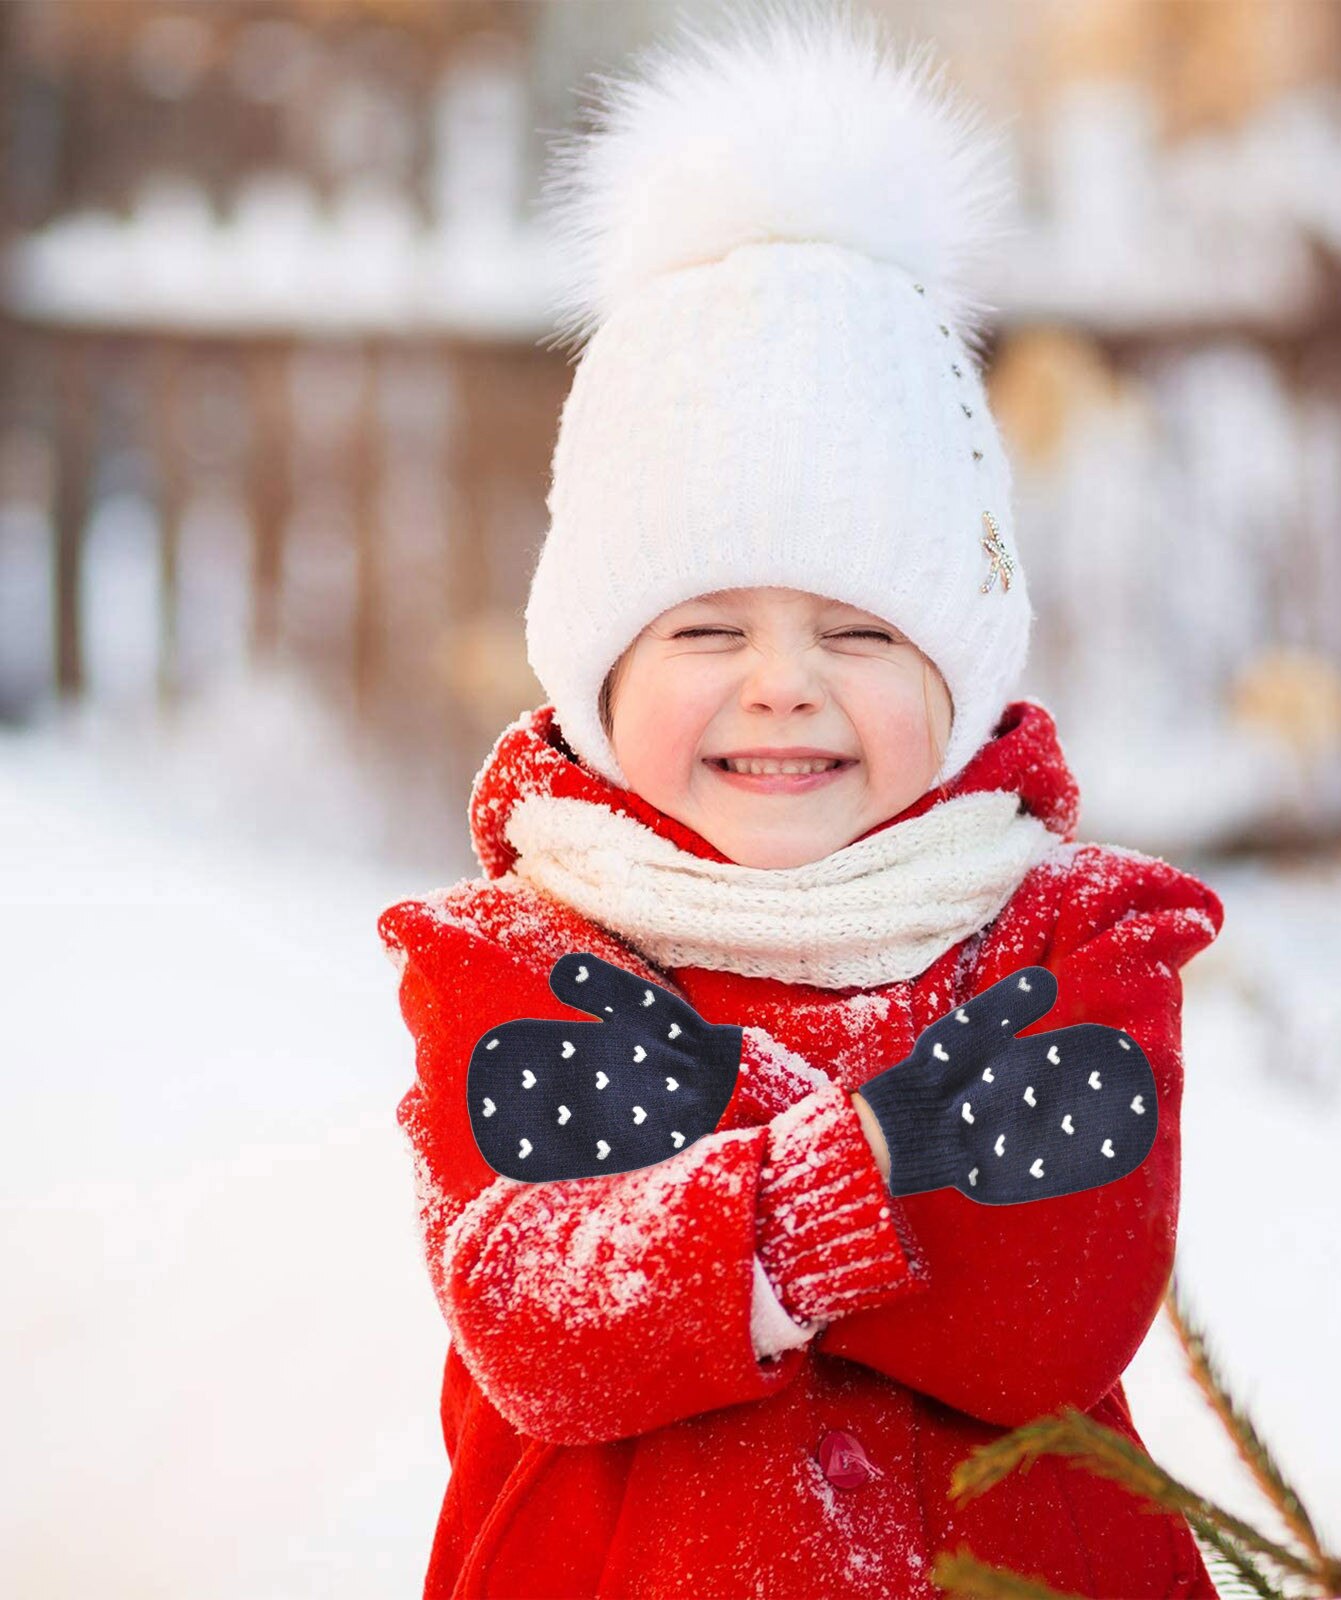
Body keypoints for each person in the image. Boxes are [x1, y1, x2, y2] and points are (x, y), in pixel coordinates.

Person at [377, 5, 1225, 1596]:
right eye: (707, 630)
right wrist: (891, 1149)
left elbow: (1050, 1304)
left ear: (960, 676)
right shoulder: (498, 953)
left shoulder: (1079, 933)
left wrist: (699, 1146)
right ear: (597, 677)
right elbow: (545, 1319)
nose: (784, 685)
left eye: (858, 632)